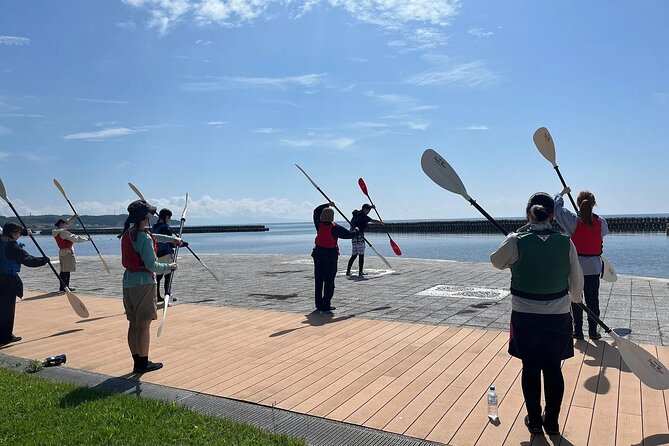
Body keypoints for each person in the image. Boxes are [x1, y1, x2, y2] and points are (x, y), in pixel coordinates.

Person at [491, 193, 584, 436]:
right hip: (558, 314)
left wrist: (517, 237)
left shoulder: (515, 240)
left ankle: (534, 420)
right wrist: (573, 299)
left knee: (530, 367)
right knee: (553, 367)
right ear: (553, 215)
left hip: (525, 315)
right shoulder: (566, 241)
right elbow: (576, 282)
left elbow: (496, 261)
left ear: (528, 213)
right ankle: (551, 421)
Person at [119, 200, 183, 373]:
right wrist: (170, 267)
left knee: (133, 324)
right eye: (149, 215)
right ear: (145, 217)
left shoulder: (128, 233)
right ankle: (143, 363)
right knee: (144, 325)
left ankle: (137, 361)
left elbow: (154, 236)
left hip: (128, 283)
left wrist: (173, 240)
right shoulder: (143, 237)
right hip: (144, 284)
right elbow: (152, 265)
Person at [554, 187, 609, 340]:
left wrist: (561, 193)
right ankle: (593, 331)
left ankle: (578, 331)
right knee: (593, 300)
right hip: (594, 267)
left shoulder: (572, 221)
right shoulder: (601, 222)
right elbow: (601, 233)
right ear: (594, 204)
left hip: (576, 266)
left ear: (579, 204)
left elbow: (556, 208)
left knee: (576, 299)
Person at [0, 222, 49, 345]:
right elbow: (29, 260)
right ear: (13, 233)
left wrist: (25, 232)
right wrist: (43, 260)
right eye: (18, 233)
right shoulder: (12, 246)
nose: (19, 236)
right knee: (7, 309)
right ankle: (5, 337)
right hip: (7, 280)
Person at [312, 202, 357, 313]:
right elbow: (347, 235)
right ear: (332, 216)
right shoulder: (335, 228)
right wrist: (356, 231)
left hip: (318, 254)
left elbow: (316, 211)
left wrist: (327, 204)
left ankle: (319, 305)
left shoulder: (318, 224)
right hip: (330, 256)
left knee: (319, 280)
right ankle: (326, 305)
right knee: (329, 281)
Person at [52, 216, 89, 292]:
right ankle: (65, 287)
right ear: (61, 224)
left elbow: (67, 222)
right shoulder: (63, 232)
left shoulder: (57, 231)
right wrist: (86, 239)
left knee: (64, 270)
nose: (67, 225)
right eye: (65, 224)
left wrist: (73, 217)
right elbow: (75, 238)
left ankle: (64, 287)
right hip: (67, 253)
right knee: (66, 271)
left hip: (63, 252)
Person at [345, 203, 381, 277]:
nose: (368, 212)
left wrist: (371, 207)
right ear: (365, 209)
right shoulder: (364, 217)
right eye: (368, 210)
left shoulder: (356, 213)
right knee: (361, 255)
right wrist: (381, 223)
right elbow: (373, 220)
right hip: (359, 236)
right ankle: (360, 271)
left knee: (354, 255)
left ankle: (348, 271)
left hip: (353, 236)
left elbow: (365, 208)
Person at [152, 208, 176, 303]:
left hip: (158, 253)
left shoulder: (154, 227)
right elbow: (171, 241)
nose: (169, 219)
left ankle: (157, 295)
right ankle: (167, 295)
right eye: (169, 217)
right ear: (166, 217)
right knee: (168, 276)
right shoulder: (165, 227)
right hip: (166, 253)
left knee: (158, 276)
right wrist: (181, 243)